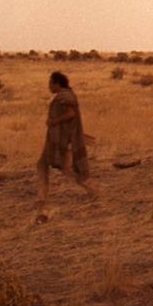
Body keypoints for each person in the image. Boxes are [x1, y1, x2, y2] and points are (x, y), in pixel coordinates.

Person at [36, 71, 96, 210]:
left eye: (50, 83)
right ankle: (42, 198)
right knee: (43, 165)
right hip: (57, 140)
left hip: (60, 141)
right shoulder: (66, 95)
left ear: (57, 83)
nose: (49, 87)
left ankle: (92, 188)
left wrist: (53, 121)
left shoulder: (64, 97)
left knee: (63, 168)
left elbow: (71, 114)